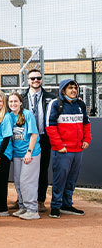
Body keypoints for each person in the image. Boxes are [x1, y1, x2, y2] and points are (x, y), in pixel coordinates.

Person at [46, 79, 91, 218]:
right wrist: (59, 146)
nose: (73, 90)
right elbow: (50, 126)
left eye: (75, 88)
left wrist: (86, 140)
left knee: (72, 179)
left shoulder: (81, 104)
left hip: (77, 150)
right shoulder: (55, 104)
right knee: (60, 178)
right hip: (62, 150)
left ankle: (67, 204)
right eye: (70, 88)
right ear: (63, 90)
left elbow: (86, 124)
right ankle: (55, 206)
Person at [21, 69, 55, 212]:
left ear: (42, 79)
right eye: (32, 78)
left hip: (43, 138)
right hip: (25, 139)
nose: (36, 80)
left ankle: (40, 200)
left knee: (42, 169)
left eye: (38, 78)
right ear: (28, 80)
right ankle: (22, 200)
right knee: (24, 171)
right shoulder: (21, 98)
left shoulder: (51, 98)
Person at [8, 93, 41, 220]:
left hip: (30, 153)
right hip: (17, 153)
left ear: (21, 102)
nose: (13, 104)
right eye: (10, 102)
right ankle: (23, 207)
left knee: (27, 182)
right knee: (17, 181)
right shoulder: (10, 116)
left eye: (15, 101)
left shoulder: (27, 114)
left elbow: (34, 135)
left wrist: (29, 151)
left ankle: (32, 210)